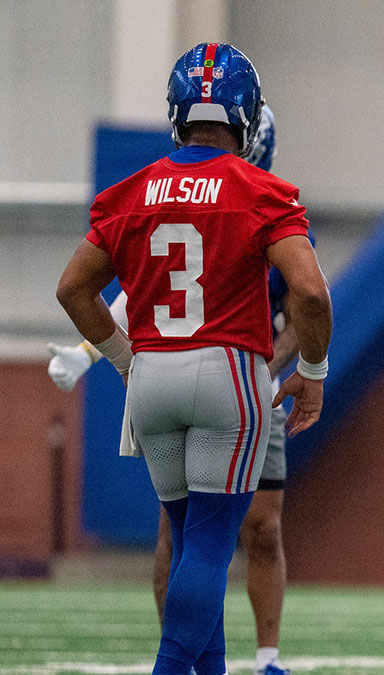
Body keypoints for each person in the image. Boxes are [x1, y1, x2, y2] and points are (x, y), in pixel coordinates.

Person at [55, 43, 331, 675]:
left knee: (184, 545)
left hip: (151, 376)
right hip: (228, 373)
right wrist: (311, 372)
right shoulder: (262, 190)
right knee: (208, 547)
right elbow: (311, 292)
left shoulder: (131, 191)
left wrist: (125, 361)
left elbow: (73, 288)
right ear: (247, 114)